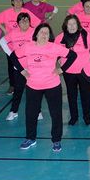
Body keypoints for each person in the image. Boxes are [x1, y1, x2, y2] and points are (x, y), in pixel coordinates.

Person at [13, 23, 77, 152]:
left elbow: (72, 55)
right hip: (33, 85)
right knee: (31, 113)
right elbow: (13, 56)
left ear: (49, 36)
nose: (44, 35)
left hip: (52, 85)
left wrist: (61, 70)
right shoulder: (28, 46)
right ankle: (30, 138)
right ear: (36, 34)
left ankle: (56, 140)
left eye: (47, 33)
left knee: (56, 114)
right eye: (42, 32)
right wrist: (22, 71)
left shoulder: (54, 47)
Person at [55, 15, 90, 126]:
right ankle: (74, 117)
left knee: (85, 95)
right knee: (71, 95)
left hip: (84, 72)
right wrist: (59, 60)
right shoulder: (60, 37)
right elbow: (55, 50)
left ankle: (87, 117)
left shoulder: (85, 35)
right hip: (68, 72)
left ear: (78, 25)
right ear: (66, 26)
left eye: (74, 24)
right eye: (69, 24)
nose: (72, 26)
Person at [0, 0, 41, 95]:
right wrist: (4, 30)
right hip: (11, 46)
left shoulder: (26, 12)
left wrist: (30, 33)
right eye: (16, 0)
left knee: (29, 64)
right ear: (12, 2)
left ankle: (30, 83)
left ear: (22, 2)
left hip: (26, 46)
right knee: (12, 65)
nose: (18, 2)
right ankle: (12, 85)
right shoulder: (7, 13)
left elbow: (37, 23)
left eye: (20, 0)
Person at [0, 13, 36, 121]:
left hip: (33, 67)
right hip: (19, 68)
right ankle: (13, 111)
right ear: (18, 23)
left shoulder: (35, 32)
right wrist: (11, 54)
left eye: (26, 21)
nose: (24, 23)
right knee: (18, 91)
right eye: (21, 21)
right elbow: (2, 41)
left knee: (35, 92)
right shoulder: (13, 33)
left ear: (29, 22)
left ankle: (37, 112)